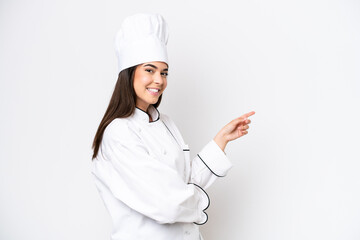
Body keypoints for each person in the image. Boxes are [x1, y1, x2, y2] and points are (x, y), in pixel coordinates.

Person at [91, 13, 255, 240]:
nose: (159, 80)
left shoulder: (165, 123)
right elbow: (166, 203)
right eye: (150, 70)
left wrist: (221, 140)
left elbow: (185, 183)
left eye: (164, 72)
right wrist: (194, 202)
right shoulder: (119, 132)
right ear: (129, 74)